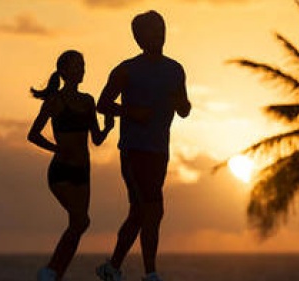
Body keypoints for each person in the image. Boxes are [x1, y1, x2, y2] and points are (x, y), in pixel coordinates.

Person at [95, 10, 191, 281]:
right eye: (151, 29)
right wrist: (131, 112)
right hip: (134, 150)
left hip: (160, 151)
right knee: (153, 209)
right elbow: (102, 104)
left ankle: (111, 268)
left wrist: (182, 105)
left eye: (161, 27)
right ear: (138, 37)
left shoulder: (175, 69)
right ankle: (150, 274)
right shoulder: (127, 69)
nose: (158, 33)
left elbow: (184, 109)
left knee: (139, 213)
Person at [27, 50, 114, 281]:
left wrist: (107, 128)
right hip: (61, 171)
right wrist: (56, 149)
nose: (81, 69)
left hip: (83, 172)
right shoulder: (55, 101)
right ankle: (50, 271)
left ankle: (55, 274)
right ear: (63, 71)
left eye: (83, 65)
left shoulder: (88, 101)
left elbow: (96, 139)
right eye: (76, 65)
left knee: (79, 223)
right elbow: (33, 134)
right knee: (80, 221)